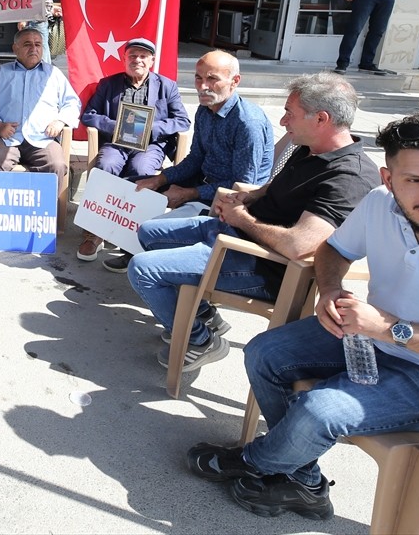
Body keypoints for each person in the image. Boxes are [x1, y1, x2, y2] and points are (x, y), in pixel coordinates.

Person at [187, 111, 419, 521]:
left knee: (320, 410)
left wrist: (393, 329)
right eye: (414, 180)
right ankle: (303, 479)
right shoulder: (381, 204)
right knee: (265, 351)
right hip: (379, 339)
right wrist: (330, 289)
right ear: (388, 179)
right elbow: (334, 249)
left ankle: (257, 461)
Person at [126, 72, 381, 371]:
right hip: (234, 234)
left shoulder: (350, 178)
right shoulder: (311, 148)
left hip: (261, 266)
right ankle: (203, 314)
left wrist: (242, 219)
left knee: (143, 269)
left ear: (321, 119)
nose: (283, 122)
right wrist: (248, 198)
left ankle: (200, 339)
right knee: (147, 231)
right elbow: (275, 188)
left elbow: (300, 245)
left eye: (289, 113)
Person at [103, 50, 273, 272]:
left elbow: (241, 186)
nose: (203, 86)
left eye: (212, 79)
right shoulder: (205, 110)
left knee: (153, 227)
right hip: (201, 181)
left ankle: (154, 264)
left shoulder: (247, 123)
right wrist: (160, 179)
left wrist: (189, 193)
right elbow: (195, 158)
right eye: (198, 78)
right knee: (132, 185)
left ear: (234, 82)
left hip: (226, 201)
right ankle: (131, 249)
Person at [76, 37, 191, 261]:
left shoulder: (167, 86)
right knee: (106, 164)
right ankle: (95, 232)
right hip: (117, 143)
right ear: (124, 58)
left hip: (150, 145)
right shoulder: (108, 84)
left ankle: (131, 234)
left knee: (142, 168)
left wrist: (151, 129)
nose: (137, 60)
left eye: (143, 56)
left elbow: (182, 121)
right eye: (132, 56)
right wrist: (116, 126)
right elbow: (89, 115)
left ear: (152, 61)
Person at [0, 28, 80, 211]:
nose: (34, 48)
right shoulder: (2, 73)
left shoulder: (53, 74)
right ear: (15, 48)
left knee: (56, 165)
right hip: (6, 137)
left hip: (42, 138)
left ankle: (43, 220)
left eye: (38, 44)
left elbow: (72, 103)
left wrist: (59, 121)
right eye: (27, 44)